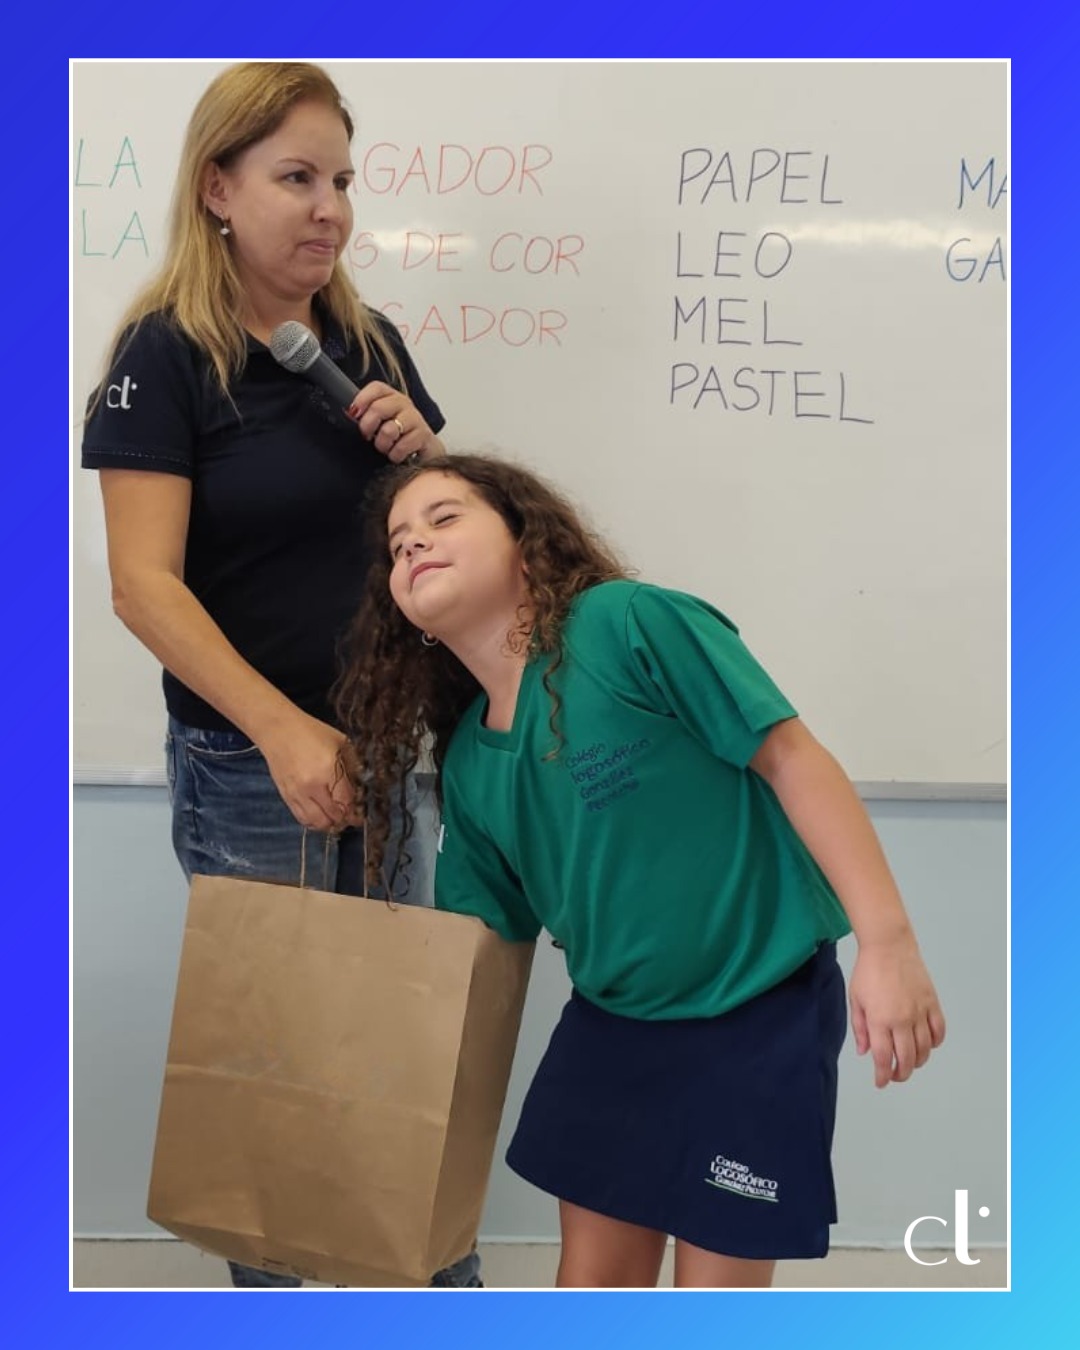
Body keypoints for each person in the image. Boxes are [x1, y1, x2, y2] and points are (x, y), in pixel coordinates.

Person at [333, 452, 948, 1290]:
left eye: (443, 519)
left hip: (756, 1012)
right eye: (398, 544)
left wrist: (888, 943)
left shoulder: (627, 623)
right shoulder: (470, 762)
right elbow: (480, 946)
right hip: (612, 1030)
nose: (414, 545)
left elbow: (792, 758)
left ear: (526, 544)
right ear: (410, 616)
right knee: (589, 1293)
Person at [79, 62, 482, 1289]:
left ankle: (433, 1295)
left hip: (385, 748)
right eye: (297, 177)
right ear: (218, 188)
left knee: (398, 1061)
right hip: (253, 769)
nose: (329, 210)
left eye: (343, 181)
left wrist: (431, 465)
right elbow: (143, 586)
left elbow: (433, 553)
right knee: (280, 1085)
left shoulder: (364, 344)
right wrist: (281, 733)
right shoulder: (165, 356)